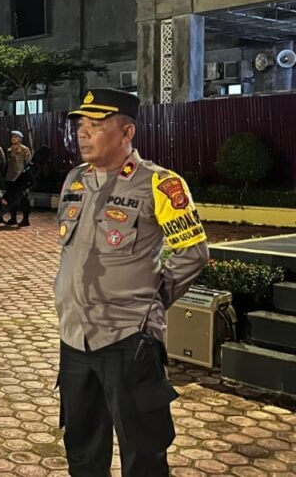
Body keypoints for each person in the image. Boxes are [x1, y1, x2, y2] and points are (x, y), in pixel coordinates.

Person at [56, 88, 209, 477]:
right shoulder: (74, 180)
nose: (82, 132)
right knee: (82, 450)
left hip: (128, 340)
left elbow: (193, 254)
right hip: (74, 338)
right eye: (80, 124)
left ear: (127, 132)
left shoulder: (159, 184)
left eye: (96, 125)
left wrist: (152, 301)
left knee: (143, 453)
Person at [4, 130, 33, 227]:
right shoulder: (9, 150)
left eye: (16, 137)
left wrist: (27, 179)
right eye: (12, 137)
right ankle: (13, 218)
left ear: (20, 139)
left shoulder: (25, 150)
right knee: (11, 199)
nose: (13, 138)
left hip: (20, 179)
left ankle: (25, 219)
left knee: (23, 199)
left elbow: (28, 165)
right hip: (10, 178)